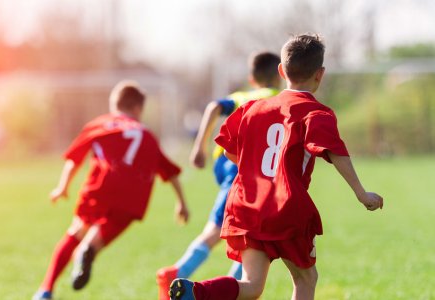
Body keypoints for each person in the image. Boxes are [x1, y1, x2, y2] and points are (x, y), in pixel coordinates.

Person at [168, 34, 384, 300]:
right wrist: (361, 193)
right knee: (306, 279)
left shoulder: (252, 108)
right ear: (320, 74)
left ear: (282, 71)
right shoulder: (316, 112)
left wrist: (255, 169)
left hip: (247, 206)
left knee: (251, 285)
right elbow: (336, 152)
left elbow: (228, 150)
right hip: (286, 208)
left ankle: (198, 292)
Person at [32, 80, 190, 300]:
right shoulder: (147, 135)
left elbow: (74, 159)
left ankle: (45, 290)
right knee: (105, 229)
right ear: (137, 109)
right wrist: (181, 202)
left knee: (76, 232)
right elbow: (171, 173)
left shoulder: (101, 124)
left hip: (100, 187)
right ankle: (89, 249)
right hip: (133, 195)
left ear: (114, 104)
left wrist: (62, 187)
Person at [156, 52, 282, 300]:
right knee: (229, 232)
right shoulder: (275, 98)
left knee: (250, 235)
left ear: (252, 78)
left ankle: (229, 286)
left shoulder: (243, 96)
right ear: (280, 75)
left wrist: (200, 148)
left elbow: (216, 106)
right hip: (245, 171)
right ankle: (177, 273)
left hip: (228, 165)